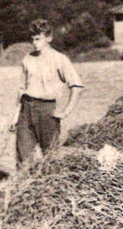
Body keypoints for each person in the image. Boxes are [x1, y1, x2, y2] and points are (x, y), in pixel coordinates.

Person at [7, 18, 84, 168]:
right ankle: (24, 188)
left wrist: (65, 112)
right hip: (26, 110)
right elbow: (21, 90)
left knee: (51, 158)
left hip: (47, 111)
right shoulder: (28, 59)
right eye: (32, 39)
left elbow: (77, 87)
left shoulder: (60, 59)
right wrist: (15, 117)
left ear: (49, 38)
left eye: (38, 39)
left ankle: (50, 189)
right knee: (23, 160)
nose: (34, 43)